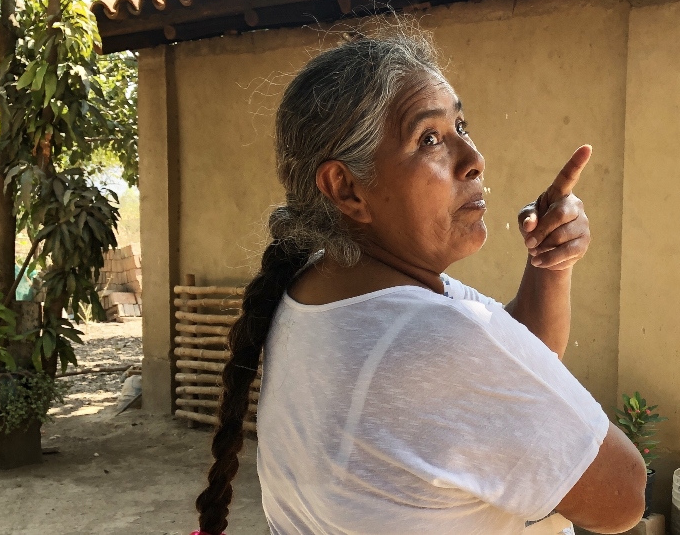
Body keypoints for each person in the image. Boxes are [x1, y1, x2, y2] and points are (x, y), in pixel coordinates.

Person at [192, 30, 646, 535]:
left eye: (460, 124)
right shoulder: (429, 337)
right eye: (428, 138)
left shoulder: (319, 287)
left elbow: (527, 350)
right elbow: (623, 495)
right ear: (347, 189)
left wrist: (550, 265)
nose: (473, 157)